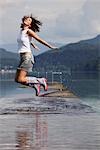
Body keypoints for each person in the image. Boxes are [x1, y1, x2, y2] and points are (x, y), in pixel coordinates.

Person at [15, 15, 57, 96]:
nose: (27, 20)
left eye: (29, 20)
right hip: (22, 57)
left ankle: (40, 80)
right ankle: (35, 84)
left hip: (27, 57)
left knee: (21, 79)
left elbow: (39, 39)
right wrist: (33, 44)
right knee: (17, 79)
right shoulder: (21, 31)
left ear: (30, 25)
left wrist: (50, 46)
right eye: (27, 19)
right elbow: (26, 40)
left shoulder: (29, 31)